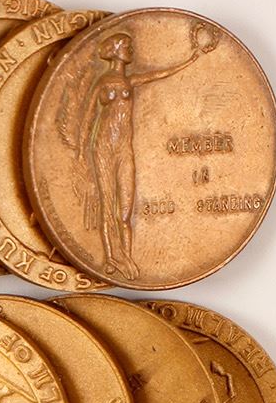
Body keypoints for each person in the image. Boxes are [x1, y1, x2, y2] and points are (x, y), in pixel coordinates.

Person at [71, 32, 203, 280]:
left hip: (124, 149)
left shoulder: (130, 81)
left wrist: (190, 59)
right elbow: (88, 117)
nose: (131, 50)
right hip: (103, 148)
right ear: (115, 50)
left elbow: (159, 74)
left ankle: (126, 257)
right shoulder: (102, 83)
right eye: (127, 46)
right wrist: (80, 152)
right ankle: (111, 258)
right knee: (108, 203)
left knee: (125, 210)